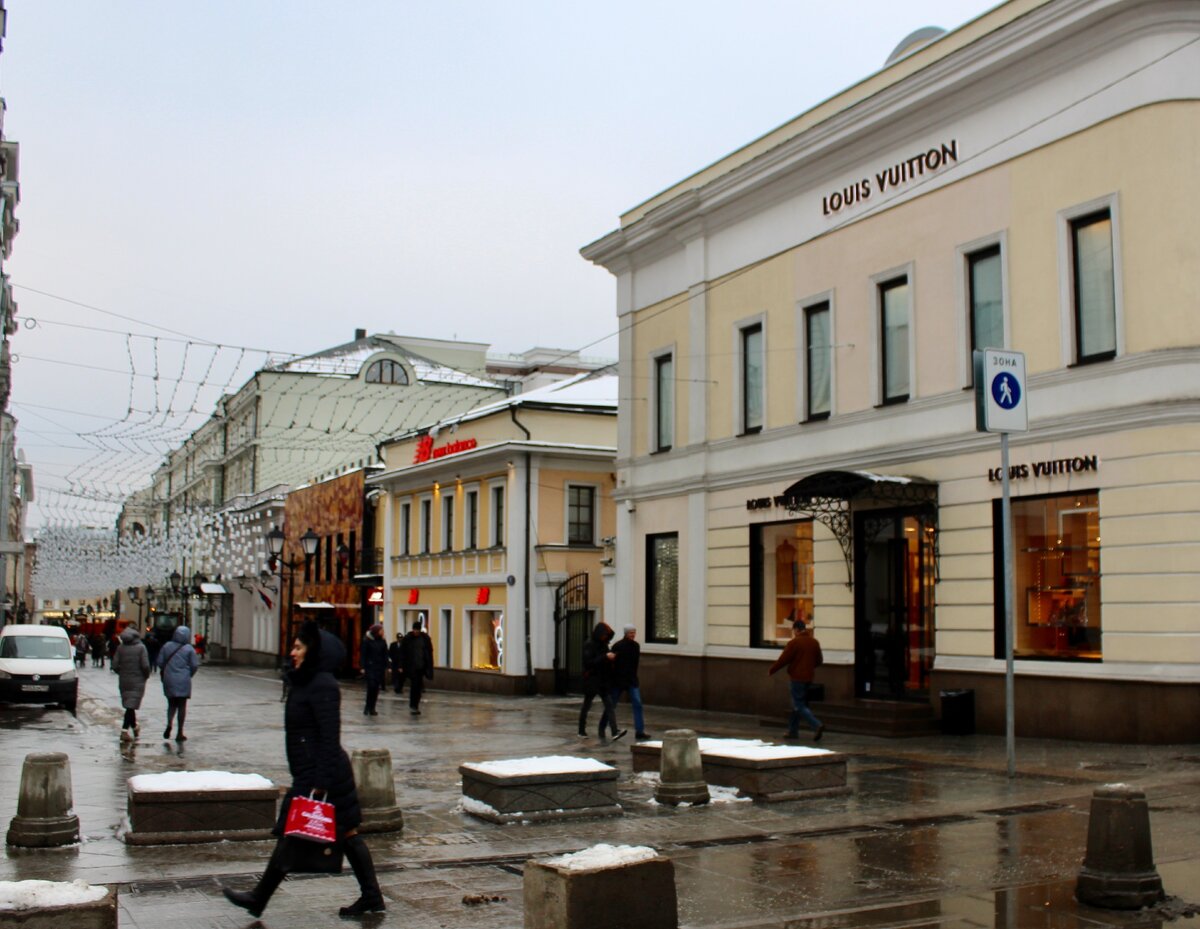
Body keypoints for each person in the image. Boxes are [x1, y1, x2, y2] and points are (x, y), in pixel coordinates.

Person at [222, 620, 385, 919]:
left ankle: (258, 899)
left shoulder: (323, 684)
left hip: (322, 775)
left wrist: (320, 782)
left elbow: (328, 736)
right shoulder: (306, 681)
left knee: (293, 834)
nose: (292, 652)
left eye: (298, 647)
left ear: (314, 652)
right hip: (315, 772)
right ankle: (372, 897)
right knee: (347, 834)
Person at [767, 619, 824, 741]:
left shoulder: (794, 643)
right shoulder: (814, 642)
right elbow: (819, 661)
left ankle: (816, 724)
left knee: (798, 704)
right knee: (797, 705)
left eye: (793, 630)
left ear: (796, 630)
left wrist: (772, 670)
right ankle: (793, 731)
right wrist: (809, 667)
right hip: (809, 677)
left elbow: (784, 659)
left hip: (797, 678)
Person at [578, 622, 624, 742]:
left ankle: (614, 731)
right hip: (592, 680)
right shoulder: (589, 645)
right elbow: (589, 663)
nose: (605, 637)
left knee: (609, 705)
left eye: (606, 635)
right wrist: (605, 657)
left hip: (602, 680)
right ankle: (581, 730)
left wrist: (611, 658)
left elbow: (603, 659)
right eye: (604, 635)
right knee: (586, 706)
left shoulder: (603, 644)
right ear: (599, 634)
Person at [157, 625, 200, 742]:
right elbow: (195, 665)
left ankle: (169, 724)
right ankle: (180, 731)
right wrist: (188, 674)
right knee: (182, 706)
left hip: (169, 679)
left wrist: (168, 671)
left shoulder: (167, 646)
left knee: (171, 704)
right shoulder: (189, 649)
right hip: (183, 679)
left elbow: (160, 662)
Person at [610, 624, 649, 740]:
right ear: (626, 633)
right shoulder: (618, 646)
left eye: (634, 632)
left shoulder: (636, 646)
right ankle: (602, 726)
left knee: (637, 704)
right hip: (619, 680)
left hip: (631, 679)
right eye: (630, 632)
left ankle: (640, 731)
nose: (633, 635)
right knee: (611, 704)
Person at [113, 627, 150, 742]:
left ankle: (134, 727)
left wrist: (121, 672)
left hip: (124, 680)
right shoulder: (141, 648)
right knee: (130, 706)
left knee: (130, 705)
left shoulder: (120, 648)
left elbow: (114, 665)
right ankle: (124, 731)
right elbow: (145, 666)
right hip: (137, 680)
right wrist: (146, 675)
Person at [398, 619, 434, 715]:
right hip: (411, 666)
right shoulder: (407, 639)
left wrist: (429, 666)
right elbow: (402, 653)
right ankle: (413, 705)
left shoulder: (425, 639)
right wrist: (401, 665)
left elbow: (429, 653)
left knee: (418, 687)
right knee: (414, 686)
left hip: (421, 667)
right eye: (414, 629)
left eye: (417, 630)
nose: (416, 631)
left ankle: (415, 705)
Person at [360, 623, 388, 716]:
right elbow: (363, 655)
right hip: (370, 667)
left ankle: (372, 707)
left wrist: (387, 666)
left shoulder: (383, 641)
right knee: (371, 686)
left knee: (376, 688)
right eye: (381, 630)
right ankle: (367, 706)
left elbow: (385, 654)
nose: (382, 632)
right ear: (376, 631)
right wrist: (363, 667)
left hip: (379, 668)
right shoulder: (367, 641)